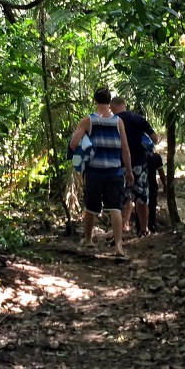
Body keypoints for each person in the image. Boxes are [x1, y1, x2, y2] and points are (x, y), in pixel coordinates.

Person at [69, 87, 134, 260]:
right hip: (114, 172)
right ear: (109, 101)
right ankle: (119, 246)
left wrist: (86, 151)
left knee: (91, 207)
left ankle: (88, 240)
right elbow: (125, 149)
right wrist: (128, 171)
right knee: (115, 208)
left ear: (95, 100)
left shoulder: (88, 121)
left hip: (94, 172)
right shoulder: (118, 122)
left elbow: (74, 143)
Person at [109, 97, 159, 237]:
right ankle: (144, 230)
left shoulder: (112, 121)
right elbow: (154, 138)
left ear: (112, 107)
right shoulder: (138, 118)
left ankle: (118, 234)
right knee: (142, 198)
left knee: (119, 199)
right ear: (124, 105)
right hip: (139, 164)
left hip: (118, 165)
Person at [146, 146, 166, 233]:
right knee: (152, 206)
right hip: (152, 185)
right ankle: (151, 226)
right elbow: (161, 172)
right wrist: (165, 184)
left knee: (141, 205)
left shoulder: (139, 156)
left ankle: (141, 227)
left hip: (141, 185)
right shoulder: (156, 157)